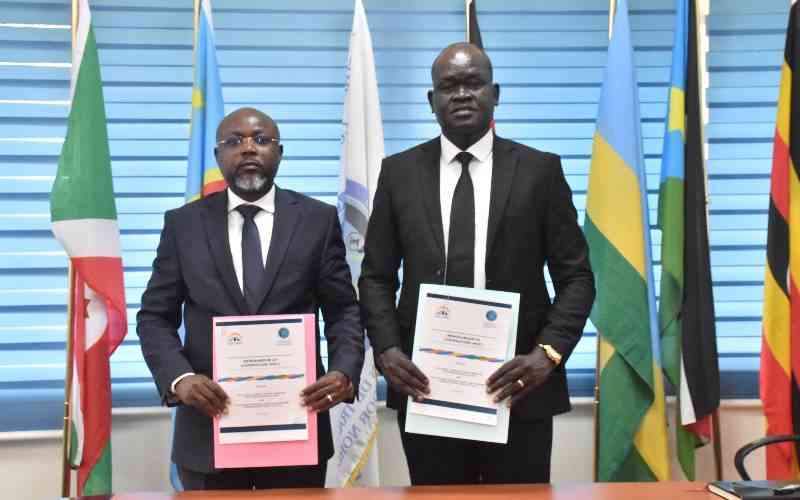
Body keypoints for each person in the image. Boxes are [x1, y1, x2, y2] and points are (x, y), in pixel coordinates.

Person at [359, 43, 595, 485]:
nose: (462, 94)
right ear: (431, 100)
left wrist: (547, 355)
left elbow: (577, 277)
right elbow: (375, 277)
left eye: (474, 83)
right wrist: (387, 350)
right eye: (449, 86)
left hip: (519, 388)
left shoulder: (540, 171)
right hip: (427, 386)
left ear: (495, 94)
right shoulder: (398, 173)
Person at [137, 107, 364, 490]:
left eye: (260, 139)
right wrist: (180, 379)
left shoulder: (317, 220)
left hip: (296, 427)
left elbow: (342, 310)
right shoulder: (183, 224)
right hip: (208, 431)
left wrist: (343, 371)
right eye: (233, 141)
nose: (247, 148)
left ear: (280, 152)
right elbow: (154, 317)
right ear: (217, 155)